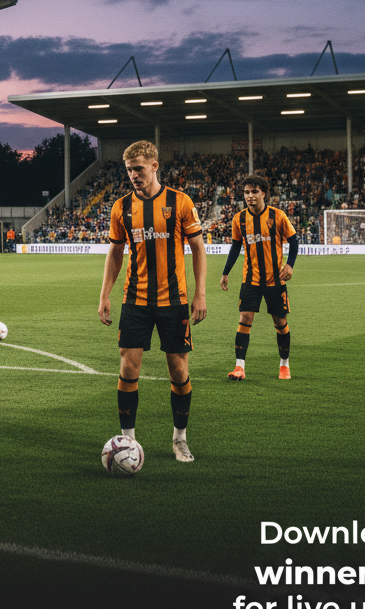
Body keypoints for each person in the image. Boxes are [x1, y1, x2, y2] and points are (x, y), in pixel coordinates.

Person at [97, 141, 207, 464]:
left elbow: (198, 249)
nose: (133, 175)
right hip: (135, 299)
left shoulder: (179, 202)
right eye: (129, 170)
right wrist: (104, 294)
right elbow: (116, 252)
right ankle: (128, 444)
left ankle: (180, 439)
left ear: (155, 166)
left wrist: (201, 292)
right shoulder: (122, 207)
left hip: (174, 300)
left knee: (178, 370)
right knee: (128, 367)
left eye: (139, 169)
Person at [219, 176, 299, 381]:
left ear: (264, 193)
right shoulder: (239, 219)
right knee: (244, 320)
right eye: (246, 192)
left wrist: (289, 265)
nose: (249, 196)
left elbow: (294, 241)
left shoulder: (278, 216)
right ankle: (239, 367)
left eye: (254, 191)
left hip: (276, 280)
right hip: (251, 280)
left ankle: (284, 365)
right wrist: (226, 272)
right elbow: (236, 246)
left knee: (280, 322)